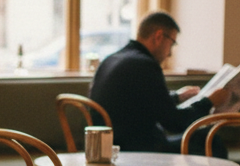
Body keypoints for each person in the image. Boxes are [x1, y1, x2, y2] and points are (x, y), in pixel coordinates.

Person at [88, 11, 230, 155]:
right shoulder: (145, 65)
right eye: (172, 43)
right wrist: (209, 102)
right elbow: (174, 123)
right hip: (137, 152)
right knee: (211, 142)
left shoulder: (112, 59)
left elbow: (142, 103)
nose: (170, 54)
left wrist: (177, 97)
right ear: (159, 36)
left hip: (110, 147)